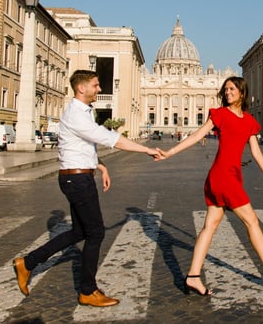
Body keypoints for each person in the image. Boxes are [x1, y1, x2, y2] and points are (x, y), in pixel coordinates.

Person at [12, 70, 160, 308]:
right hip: (77, 181)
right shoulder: (76, 114)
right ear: (82, 88)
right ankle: (87, 291)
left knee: (79, 232)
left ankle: (27, 263)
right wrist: (147, 150)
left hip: (78, 177)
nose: (99, 89)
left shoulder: (82, 113)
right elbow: (109, 138)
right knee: (96, 233)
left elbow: (82, 145)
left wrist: (100, 166)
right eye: (96, 85)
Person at [157, 76, 263, 296]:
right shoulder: (219, 115)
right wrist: (170, 152)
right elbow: (196, 136)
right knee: (251, 221)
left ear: (242, 93)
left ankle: (193, 276)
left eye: (232, 89)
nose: (227, 92)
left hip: (229, 176)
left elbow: (256, 151)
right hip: (223, 177)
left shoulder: (249, 121)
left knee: (210, 226)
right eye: (226, 89)